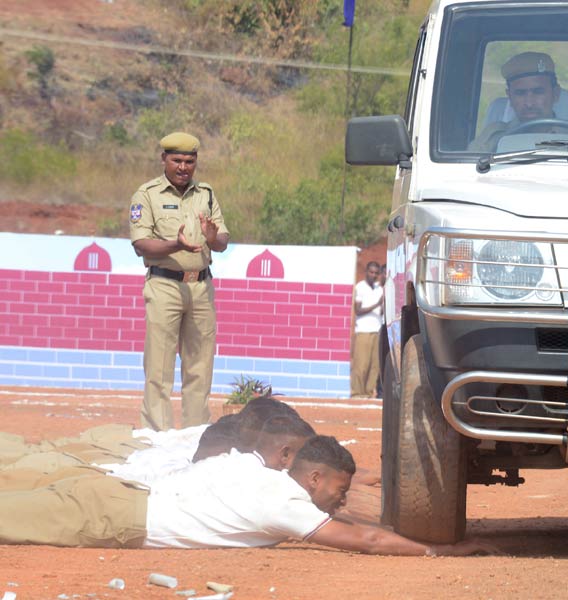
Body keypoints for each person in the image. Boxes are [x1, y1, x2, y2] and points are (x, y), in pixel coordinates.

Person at [0, 435, 492, 556]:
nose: (340, 501)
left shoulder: (255, 468)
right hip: (114, 514)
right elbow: (368, 541)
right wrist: (434, 550)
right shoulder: (284, 505)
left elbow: (365, 524)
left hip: (113, 492)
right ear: (314, 478)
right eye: (338, 491)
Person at [129, 131, 229, 432]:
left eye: (190, 161)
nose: (183, 167)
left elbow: (222, 239)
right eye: (177, 160)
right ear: (164, 160)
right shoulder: (146, 194)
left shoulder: (206, 194)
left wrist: (214, 238)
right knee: (159, 368)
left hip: (200, 287)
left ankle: (195, 434)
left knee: (199, 367)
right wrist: (177, 245)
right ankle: (156, 436)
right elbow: (141, 244)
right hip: (165, 286)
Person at [469, 51, 565, 152]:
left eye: (538, 92)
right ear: (510, 97)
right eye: (520, 93)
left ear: (555, 94)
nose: (529, 103)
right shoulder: (493, 139)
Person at [351, 261, 383, 399]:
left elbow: (381, 312)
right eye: (371, 272)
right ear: (366, 272)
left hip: (377, 330)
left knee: (374, 365)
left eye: (376, 273)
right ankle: (357, 393)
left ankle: (369, 393)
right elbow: (357, 310)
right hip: (363, 330)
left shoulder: (379, 289)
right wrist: (376, 304)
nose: (374, 275)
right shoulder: (360, 287)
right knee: (361, 364)